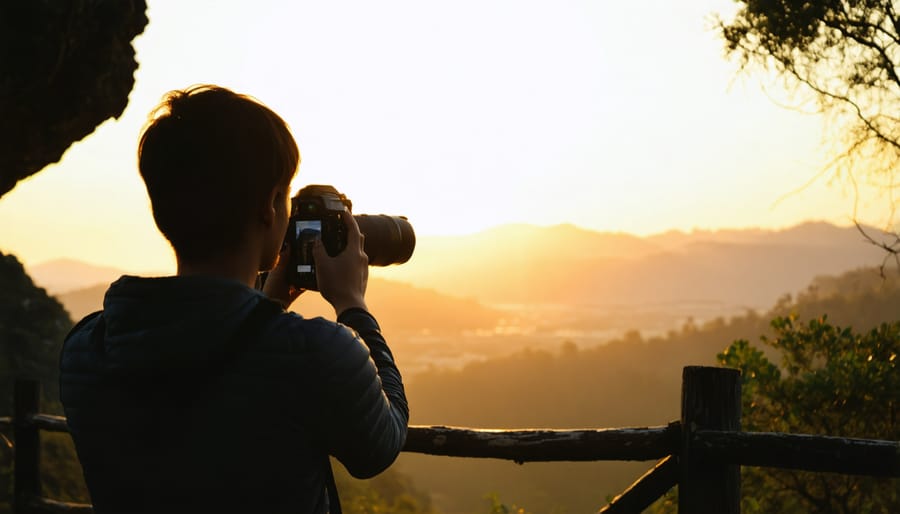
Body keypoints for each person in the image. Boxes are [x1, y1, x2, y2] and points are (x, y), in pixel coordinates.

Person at [59, 85, 409, 514]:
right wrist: (353, 304)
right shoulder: (317, 354)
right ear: (269, 207)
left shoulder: (86, 350)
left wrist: (267, 305)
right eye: (286, 195)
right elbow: (381, 443)